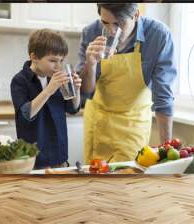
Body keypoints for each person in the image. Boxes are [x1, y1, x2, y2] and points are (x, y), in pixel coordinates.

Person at [76, 3, 177, 163]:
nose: (111, 30)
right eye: (105, 23)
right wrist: (90, 63)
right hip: (99, 121)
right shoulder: (91, 32)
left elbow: (163, 98)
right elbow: (86, 90)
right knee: (96, 179)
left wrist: (168, 153)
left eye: (119, 23)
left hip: (133, 123)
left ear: (136, 15)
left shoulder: (158, 35)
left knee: (128, 179)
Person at [11, 29, 82, 169]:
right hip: (33, 160)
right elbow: (25, 115)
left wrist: (76, 90)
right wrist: (49, 90)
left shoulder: (56, 77)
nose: (58, 66)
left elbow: (73, 109)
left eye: (61, 60)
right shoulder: (19, 80)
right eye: (52, 60)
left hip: (59, 155)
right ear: (34, 57)